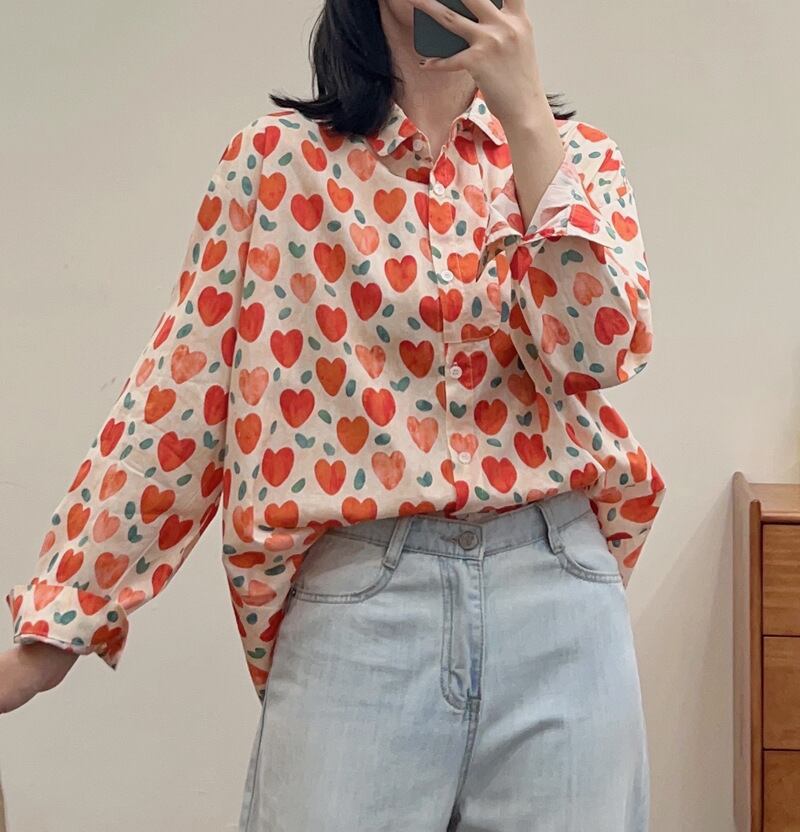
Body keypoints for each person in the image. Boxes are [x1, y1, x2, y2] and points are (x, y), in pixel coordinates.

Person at [1, 0, 666, 828]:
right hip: (361, 607)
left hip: (560, 600)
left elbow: (596, 353)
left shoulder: (576, 161)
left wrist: (527, 119)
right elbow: (181, 397)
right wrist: (60, 622)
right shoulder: (277, 167)